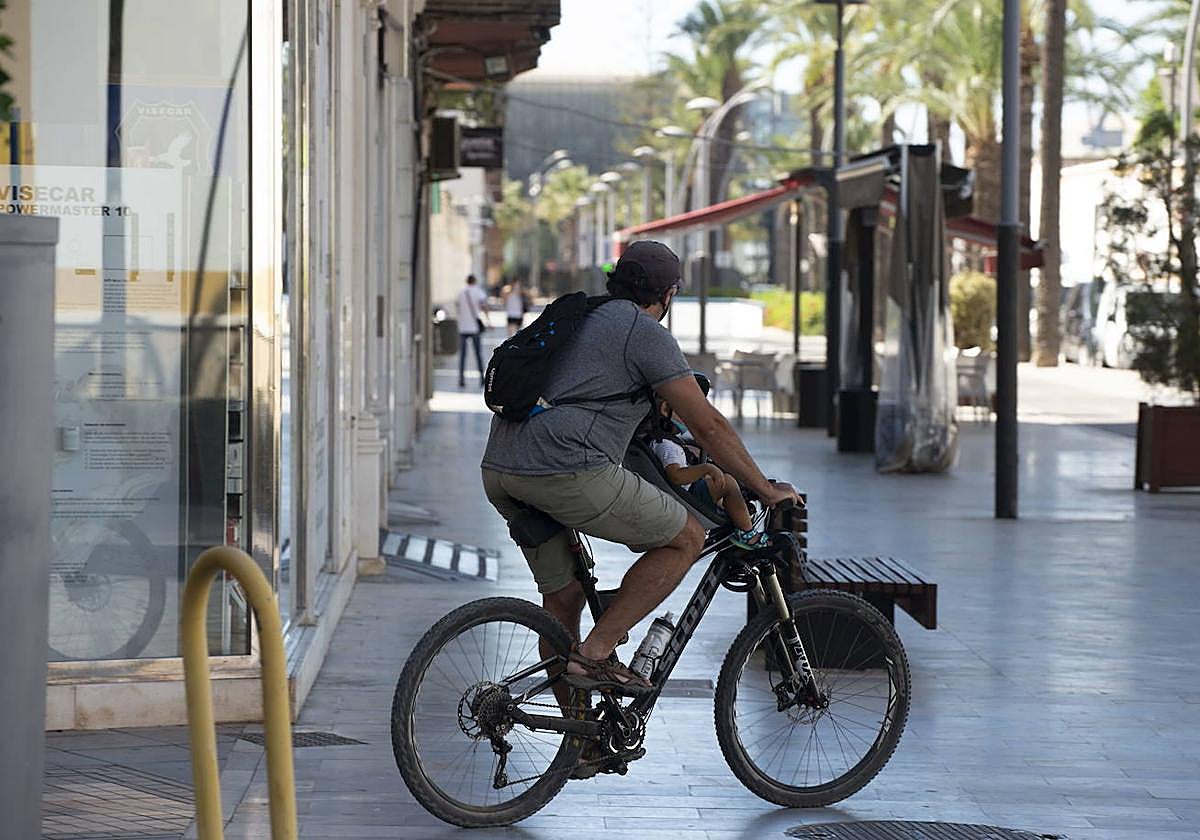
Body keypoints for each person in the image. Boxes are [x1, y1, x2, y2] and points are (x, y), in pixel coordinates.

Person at [481, 240, 799, 697]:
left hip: (501, 467)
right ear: (668, 295)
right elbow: (707, 424)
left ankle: (580, 740)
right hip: (565, 469)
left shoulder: (581, 314)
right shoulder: (643, 332)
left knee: (563, 602)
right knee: (686, 537)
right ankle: (596, 654)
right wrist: (763, 489)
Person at [649, 398, 769, 550]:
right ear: (665, 410)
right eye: (685, 412)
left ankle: (736, 512)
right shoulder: (668, 446)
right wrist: (706, 469)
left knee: (719, 481)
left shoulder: (659, 441)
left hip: (681, 493)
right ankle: (747, 534)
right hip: (688, 496)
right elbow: (676, 476)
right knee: (729, 483)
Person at [455, 274, 489, 388]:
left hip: (463, 327)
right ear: (475, 281)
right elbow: (484, 306)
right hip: (474, 327)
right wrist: (488, 321)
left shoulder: (461, 293)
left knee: (462, 355)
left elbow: (457, 307)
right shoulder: (478, 292)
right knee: (478, 354)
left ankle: (461, 379)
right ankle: (482, 378)